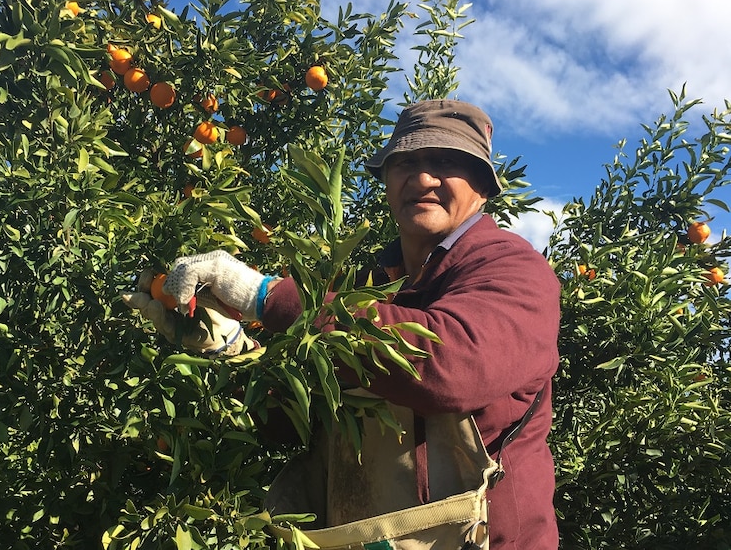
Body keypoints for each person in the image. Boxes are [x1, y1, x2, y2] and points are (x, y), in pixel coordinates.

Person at [124, 99, 560, 549]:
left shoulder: (513, 271)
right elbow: (296, 426)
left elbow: (451, 366)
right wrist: (233, 352)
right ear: (387, 181)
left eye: (446, 162)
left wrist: (265, 296)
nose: (424, 178)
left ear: (483, 188)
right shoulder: (364, 287)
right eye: (405, 162)